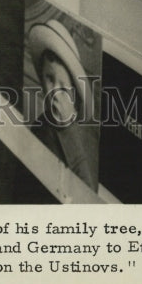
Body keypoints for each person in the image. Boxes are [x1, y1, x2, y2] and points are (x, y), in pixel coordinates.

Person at [26, 18, 99, 191]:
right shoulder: (40, 126)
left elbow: (86, 193)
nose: (54, 91)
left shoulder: (85, 136)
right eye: (49, 79)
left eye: (63, 85)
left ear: (74, 92)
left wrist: (67, 130)